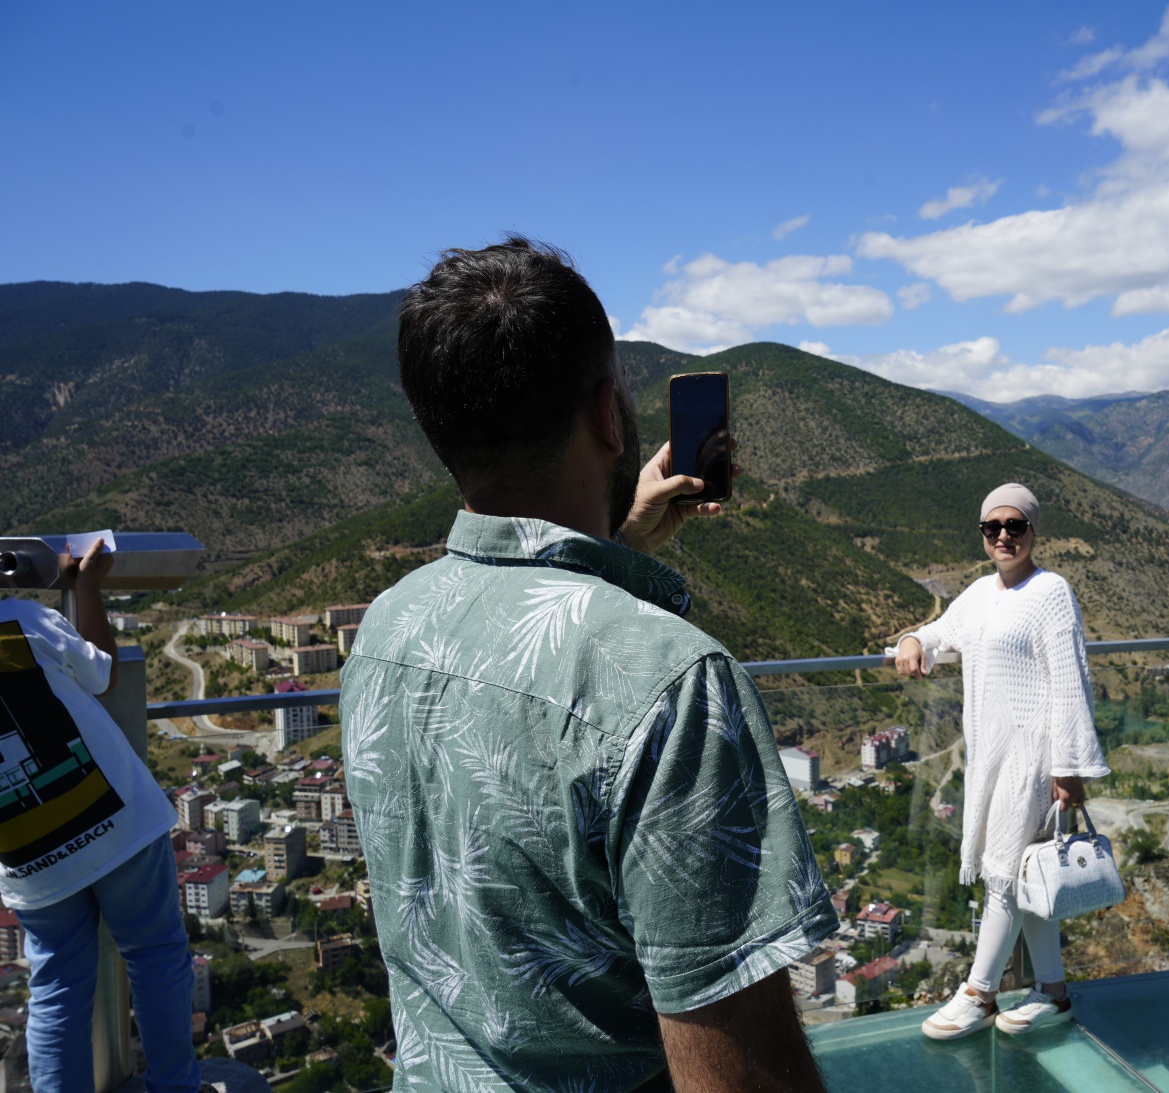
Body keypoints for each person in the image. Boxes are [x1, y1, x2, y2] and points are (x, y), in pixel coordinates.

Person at [341, 237, 837, 1092]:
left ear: (439, 431)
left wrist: (620, 540)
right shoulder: (671, 683)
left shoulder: (387, 627)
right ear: (609, 415)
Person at [894, 484, 1110, 1039]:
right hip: (992, 755)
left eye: (1015, 525)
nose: (1004, 536)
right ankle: (1053, 992)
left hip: (1035, 759)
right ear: (983, 534)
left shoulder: (1051, 592)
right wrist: (915, 637)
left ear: (1034, 531)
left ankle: (979, 993)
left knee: (1004, 879)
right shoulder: (980, 593)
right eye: (993, 527)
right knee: (1027, 873)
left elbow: (1070, 682)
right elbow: (945, 631)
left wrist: (1069, 769)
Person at [0, 540, 205, 1093]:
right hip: (115, 819)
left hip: (25, 851)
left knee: (58, 987)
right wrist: (85, 585)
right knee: (156, 951)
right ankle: (177, 1086)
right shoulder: (23, 620)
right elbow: (104, 673)